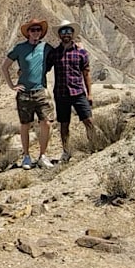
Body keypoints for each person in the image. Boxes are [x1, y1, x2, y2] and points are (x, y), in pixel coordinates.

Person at [0, 18, 54, 170]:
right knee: (25, 125)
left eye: (38, 30)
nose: (36, 32)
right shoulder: (19, 48)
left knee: (46, 123)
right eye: (33, 30)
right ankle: (26, 156)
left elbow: (58, 56)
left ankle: (43, 155)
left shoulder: (46, 47)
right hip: (24, 93)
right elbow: (4, 67)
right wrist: (12, 86)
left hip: (41, 91)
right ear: (28, 33)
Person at [47, 20, 95, 163]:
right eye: (63, 32)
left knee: (89, 121)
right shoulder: (55, 53)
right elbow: (44, 68)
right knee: (64, 124)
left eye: (68, 31)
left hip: (78, 92)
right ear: (59, 35)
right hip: (61, 94)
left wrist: (90, 93)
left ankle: (94, 147)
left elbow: (86, 73)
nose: (66, 34)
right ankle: (66, 152)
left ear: (73, 34)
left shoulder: (81, 53)